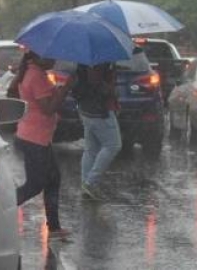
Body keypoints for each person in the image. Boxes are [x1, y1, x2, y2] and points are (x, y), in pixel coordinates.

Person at [10, 50, 74, 239]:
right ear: (38, 57)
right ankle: (1, 209)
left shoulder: (34, 73)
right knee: (35, 184)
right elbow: (48, 109)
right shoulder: (36, 76)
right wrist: (65, 88)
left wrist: (58, 89)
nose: (54, 60)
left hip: (38, 137)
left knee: (52, 180)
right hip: (35, 138)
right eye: (50, 57)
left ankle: (54, 227)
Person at [72, 62, 121, 201]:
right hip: (99, 111)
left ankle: (86, 184)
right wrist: (112, 90)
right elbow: (97, 83)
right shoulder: (98, 62)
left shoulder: (83, 61)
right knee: (113, 145)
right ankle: (90, 182)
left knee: (91, 149)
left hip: (86, 109)